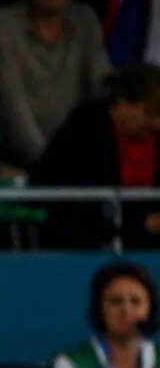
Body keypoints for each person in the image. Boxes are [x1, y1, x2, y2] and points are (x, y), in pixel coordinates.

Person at [0, 0, 111, 174]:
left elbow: (102, 88)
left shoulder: (86, 21)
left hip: (77, 154)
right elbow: (12, 107)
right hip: (19, 157)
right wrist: (51, 164)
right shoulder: (3, 25)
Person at [35, 64, 160, 250]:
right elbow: (74, 213)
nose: (157, 124)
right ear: (123, 102)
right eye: (150, 114)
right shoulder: (84, 132)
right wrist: (143, 226)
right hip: (88, 247)